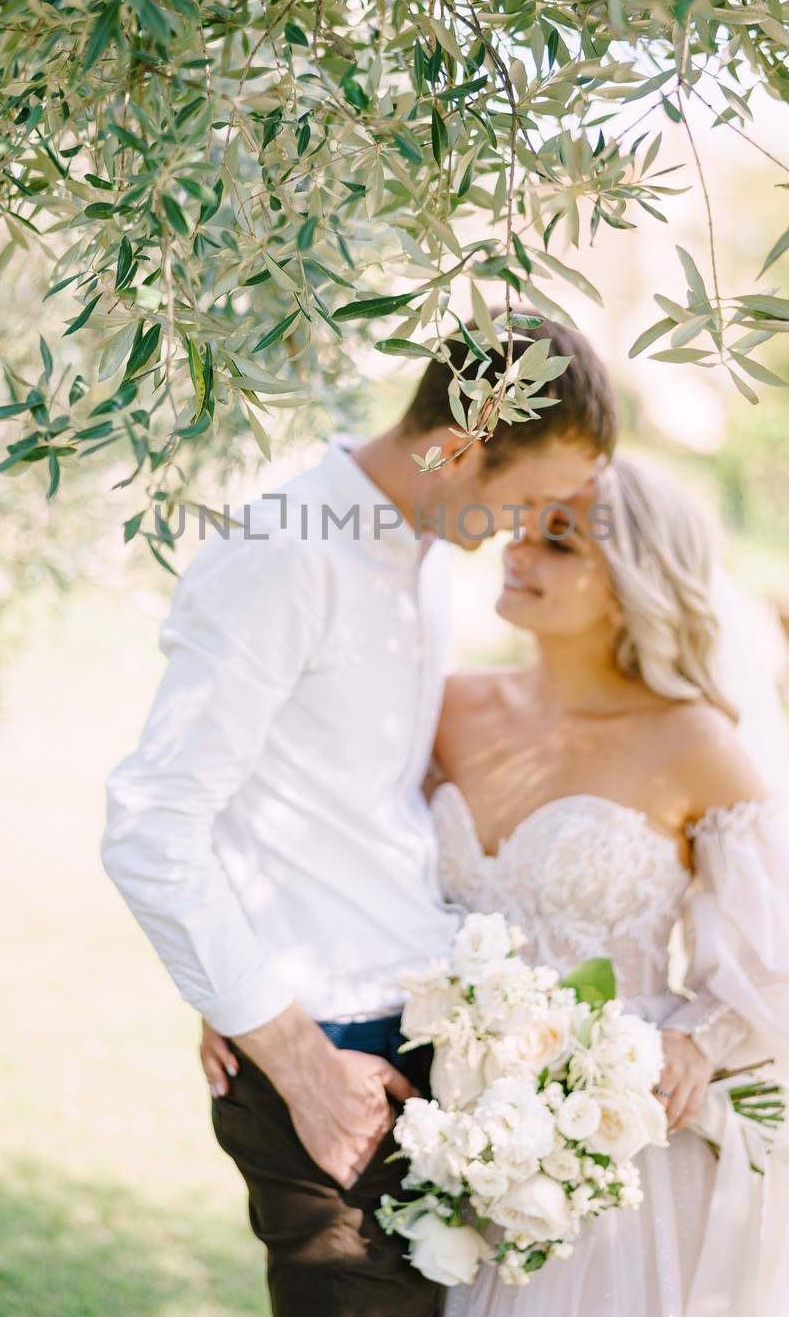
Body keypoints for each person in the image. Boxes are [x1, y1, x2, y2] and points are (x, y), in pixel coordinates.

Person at [102, 318, 619, 1317]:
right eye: (522, 499)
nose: (524, 528)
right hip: (326, 1055)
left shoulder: (419, 550)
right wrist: (286, 1048)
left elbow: (313, 802)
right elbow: (150, 823)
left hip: (410, 1022)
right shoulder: (283, 555)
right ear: (461, 445)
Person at [417, 458, 789, 1316]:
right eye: (522, 523)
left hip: (629, 1142)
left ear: (628, 585)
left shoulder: (690, 742)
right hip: (460, 1122)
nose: (516, 549)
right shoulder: (450, 707)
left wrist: (694, 1042)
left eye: (558, 539)